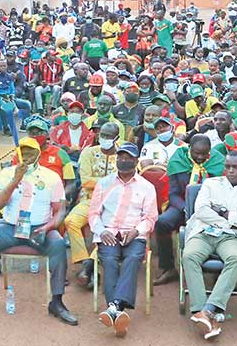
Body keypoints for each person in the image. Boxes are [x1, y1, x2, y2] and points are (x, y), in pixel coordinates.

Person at [0, 137, 77, 326]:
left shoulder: (51, 177)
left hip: (39, 228)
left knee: (58, 244)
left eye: (31, 152)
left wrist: (48, 227)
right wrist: (15, 180)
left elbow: (60, 211)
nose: (27, 156)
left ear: (38, 154)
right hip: (10, 227)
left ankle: (57, 302)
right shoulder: (7, 173)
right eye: (23, 152)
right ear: (17, 153)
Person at [184, 151, 237, 340]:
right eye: (227, 166)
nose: (230, 170)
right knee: (189, 255)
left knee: (236, 257)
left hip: (232, 237)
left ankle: (209, 309)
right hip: (204, 232)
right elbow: (201, 211)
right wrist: (236, 219)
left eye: (235, 167)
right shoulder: (211, 184)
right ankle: (202, 310)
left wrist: (228, 215)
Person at [89, 142, 157, 337]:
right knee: (109, 260)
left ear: (136, 161)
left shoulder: (147, 187)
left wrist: (136, 231)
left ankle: (113, 308)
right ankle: (118, 311)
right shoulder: (104, 183)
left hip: (133, 234)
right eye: (120, 156)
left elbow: (151, 217)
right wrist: (101, 231)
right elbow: (93, 214)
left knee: (133, 258)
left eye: (128, 157)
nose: (123, 160)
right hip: (108, 233)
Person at [154, 135, 225, 286]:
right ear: (189, 149)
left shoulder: (217, 161)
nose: (200, 157)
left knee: (222, 226)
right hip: (182, 206)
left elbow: (222, 193)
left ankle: (218, 272)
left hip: (211, 209)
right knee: (162, 222)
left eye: (204, 153)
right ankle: (168, 268)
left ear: (209, 151)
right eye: (196, 153)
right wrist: (186, 208)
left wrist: (205, 211)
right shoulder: (178, 159)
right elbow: (172, 193)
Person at [65, 122, 120, 287]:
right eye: (102, 135)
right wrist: (112, 182)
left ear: (117, 138)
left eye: (109, 136)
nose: (104, 139)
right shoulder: (88, 153)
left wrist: (109, 183)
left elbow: (125, 183)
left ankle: (89, 267)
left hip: (115, 203)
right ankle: (85, 263)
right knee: (71, 221)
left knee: (108, 228)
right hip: (89, 200)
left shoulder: (123, 156)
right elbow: (86, 181)